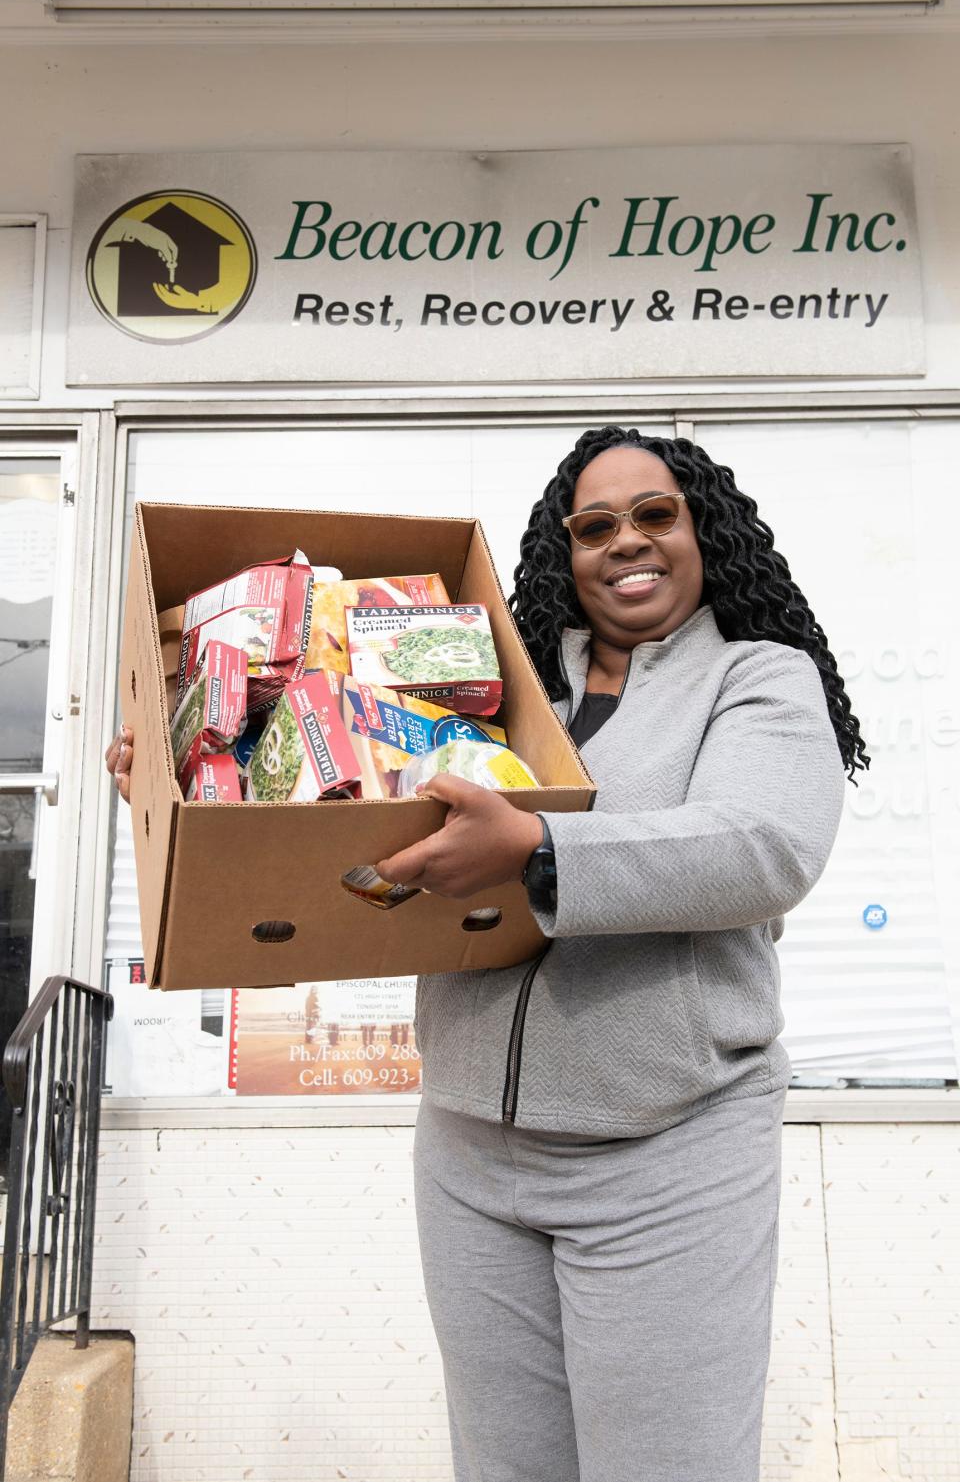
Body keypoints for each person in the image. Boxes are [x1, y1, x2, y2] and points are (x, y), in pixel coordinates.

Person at [105, 428, 868, 1482]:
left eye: (656, 514)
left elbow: (762, 848)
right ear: (565, 551)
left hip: (666, 1149)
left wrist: (539, 847)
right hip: (469, 1151)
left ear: (707, 533)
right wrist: (198, 772)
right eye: (594, 525)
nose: (625, 542)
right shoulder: (490, 690)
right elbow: (359, 830)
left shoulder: (758, 678)